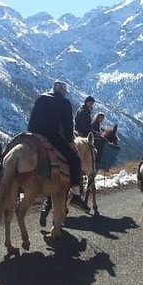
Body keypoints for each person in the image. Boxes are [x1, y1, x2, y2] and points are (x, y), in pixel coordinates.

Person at [27, 80, 89, 219]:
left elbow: (31, 120)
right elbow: (68, 127)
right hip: (51, 136)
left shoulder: (41, 98)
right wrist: (69, 140)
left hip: (33, 135)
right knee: (74, 160)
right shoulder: (64, 103)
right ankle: (76, 195)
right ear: (63, 91)